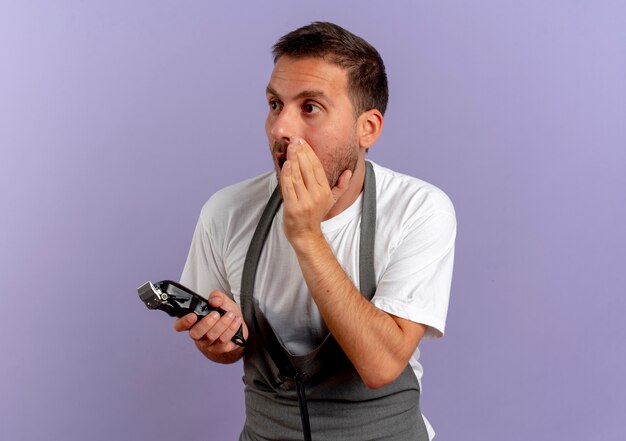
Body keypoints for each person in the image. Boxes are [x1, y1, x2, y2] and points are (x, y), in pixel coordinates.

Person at [174, 21, 456, 441]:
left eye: (310, 107)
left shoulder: (419, 209)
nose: (281, 129)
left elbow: (381, 366)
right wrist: (220, 340)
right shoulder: (226, 211)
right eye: (274, 104)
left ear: (368, 129)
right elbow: (223, 348)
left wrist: (306, 235)